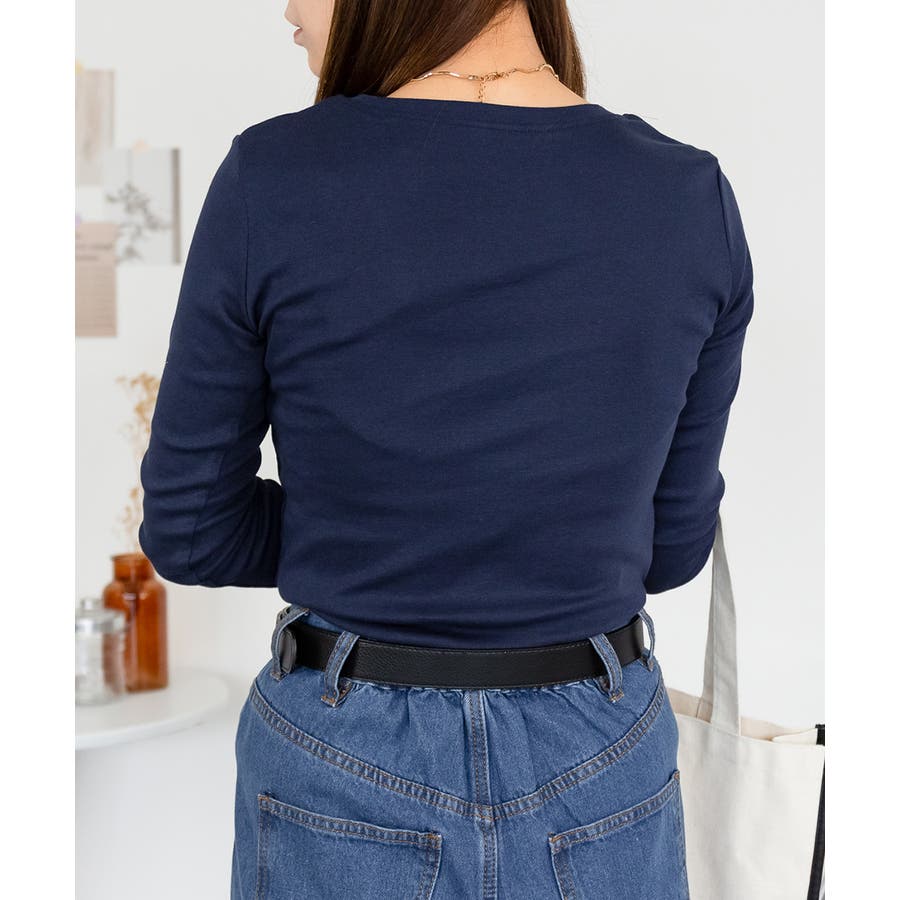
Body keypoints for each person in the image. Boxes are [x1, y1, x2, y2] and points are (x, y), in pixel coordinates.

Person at [138, 1, 754, 897]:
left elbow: (193, 531)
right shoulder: (687, 195)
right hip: (598, 745)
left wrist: (367, 533)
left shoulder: (272, 177)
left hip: (342, 745)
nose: (287, 7)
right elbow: (670, 549)